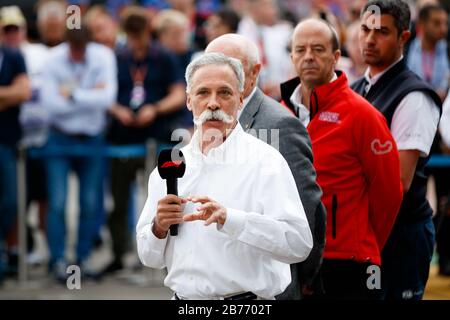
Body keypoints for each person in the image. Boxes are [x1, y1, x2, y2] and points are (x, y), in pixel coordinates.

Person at [136, 52, 313, 300]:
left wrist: (231, 219)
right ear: (188, 101)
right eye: (203, 93)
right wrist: (158, 227)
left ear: (240, 99)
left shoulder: (265, 162)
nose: (213, 103)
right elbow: (148, 257)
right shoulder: (169, 168)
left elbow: (298, 244)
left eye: (224, 93)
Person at [280, 18, 403, 299]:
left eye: (318, 49)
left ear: (336, 57)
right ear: (291, 57)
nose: (308, 56)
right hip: (292, 259)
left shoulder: (363, 115)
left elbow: (388, 195)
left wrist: (361, 243)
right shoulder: (280, 113)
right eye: (300, 50)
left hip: (348, 261)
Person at [205, 33, 326, 299]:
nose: (220, 74)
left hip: (267, 288)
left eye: (231, 66)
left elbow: (308, 211)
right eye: (211, 64)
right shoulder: (207, 119)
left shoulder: (280, 125)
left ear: (254, 73)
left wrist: (301, 277)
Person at [352, 0, 441, 300]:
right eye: (365, 29)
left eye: (382, 32)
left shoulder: (415, 96)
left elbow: (398, 183)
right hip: (364, 231)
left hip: (401, 233)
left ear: (404, 37)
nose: (369, 39)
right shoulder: (354, 88)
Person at [104, 8, 186, 274]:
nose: (135, 40)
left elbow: (178, 93)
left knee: (159, 199)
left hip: (157, 136)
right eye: (131, 35)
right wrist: (118, 110)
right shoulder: (118, 57)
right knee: (120, 200)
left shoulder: (163, 57)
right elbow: (103, 92)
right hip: (123, 137)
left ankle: (163, 258)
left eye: (139, 35)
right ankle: (119, 254)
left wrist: (155, 108)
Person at [41, 26, 117, 283]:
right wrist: (90, 96)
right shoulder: (52, 59)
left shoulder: (103, 56)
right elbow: (51, 104)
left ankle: (83, 259)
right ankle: (58, 260)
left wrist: (72, 94)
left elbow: (107, 98)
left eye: (80, 49)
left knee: (90, 203)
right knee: (58, 203)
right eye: (73, 49)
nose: (76, 54)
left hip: (92, 138)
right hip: (59, 138)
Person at [0, 23, 30, 286]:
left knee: (10, 201)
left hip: (6, 141)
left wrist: (11, 94)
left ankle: (7, 254)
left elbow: (23, 91)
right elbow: (15, 92)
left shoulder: (12, 56)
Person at [406, 3, 449, 101]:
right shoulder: (406, 49)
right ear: (421, 24)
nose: (443, 29)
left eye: (445, 23)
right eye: (436, 23)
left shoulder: (447, 49)